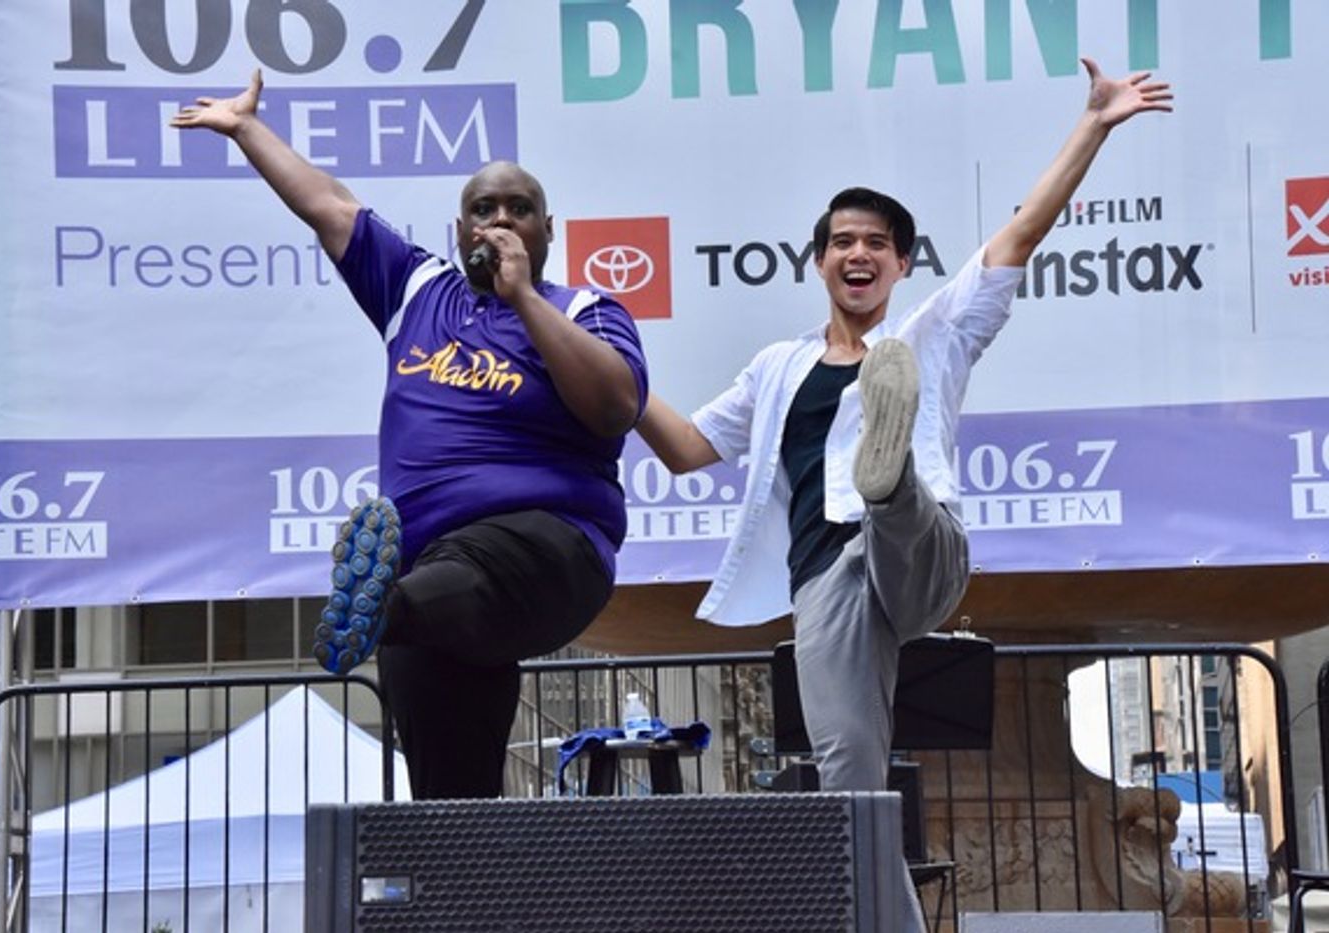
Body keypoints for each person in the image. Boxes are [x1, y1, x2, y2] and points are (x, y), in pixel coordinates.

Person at [638, 59, 1171, 792]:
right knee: (849, 770)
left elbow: (1023, 231)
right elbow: (686, 449)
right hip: (824, 573)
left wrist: (1094, 123)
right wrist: (618, 381)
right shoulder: (775, 367)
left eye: (877, 244)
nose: (860, 252)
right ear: (821, 260)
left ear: (901, 263)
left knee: (896, 500)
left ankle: (887, 482)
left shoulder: (934, 333)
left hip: (919, 548)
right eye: (845, 241)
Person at [172, 73, 647, 799]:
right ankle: (463, 890)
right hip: (430, 573)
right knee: (450, 792)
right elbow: (329, 205)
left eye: (519, 209)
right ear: (459, 231)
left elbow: (614, 406)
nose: (499, 221)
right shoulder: (419, 290)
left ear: (547, 231)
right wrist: (245, 129)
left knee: (440, 582)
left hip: (549, 548)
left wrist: (521, 295)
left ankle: (379, 607)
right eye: (481, 209)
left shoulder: (584, 307)